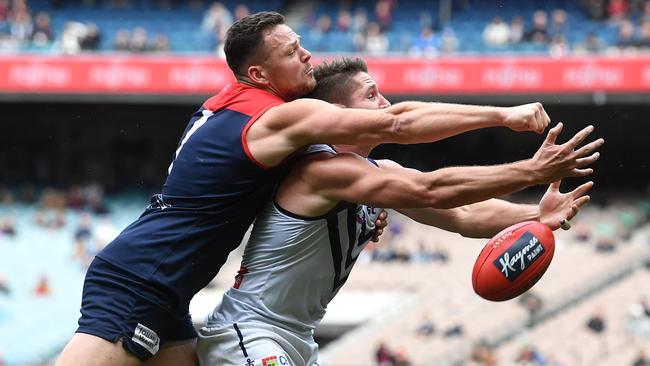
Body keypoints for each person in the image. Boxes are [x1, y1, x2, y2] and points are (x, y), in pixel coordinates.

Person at [55, 11, 570, 366]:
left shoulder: (262, 122)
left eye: (301, 44)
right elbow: (413, 150)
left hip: (187, 296)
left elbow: (458, 214)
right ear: (259, 73)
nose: (307, 55)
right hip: (150, 284)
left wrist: (535, 217)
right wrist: (511, 131)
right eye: (291, 51)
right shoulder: (287, 131)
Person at [195, 57, 601, 365]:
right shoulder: (318, 171)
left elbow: (463, 216)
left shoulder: (377, 174)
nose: (386, 103)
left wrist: (535, 217)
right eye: (371, 95)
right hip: (250, 331)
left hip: (297, 337)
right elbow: (433, 190)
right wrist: (531, 169)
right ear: (341, 114)